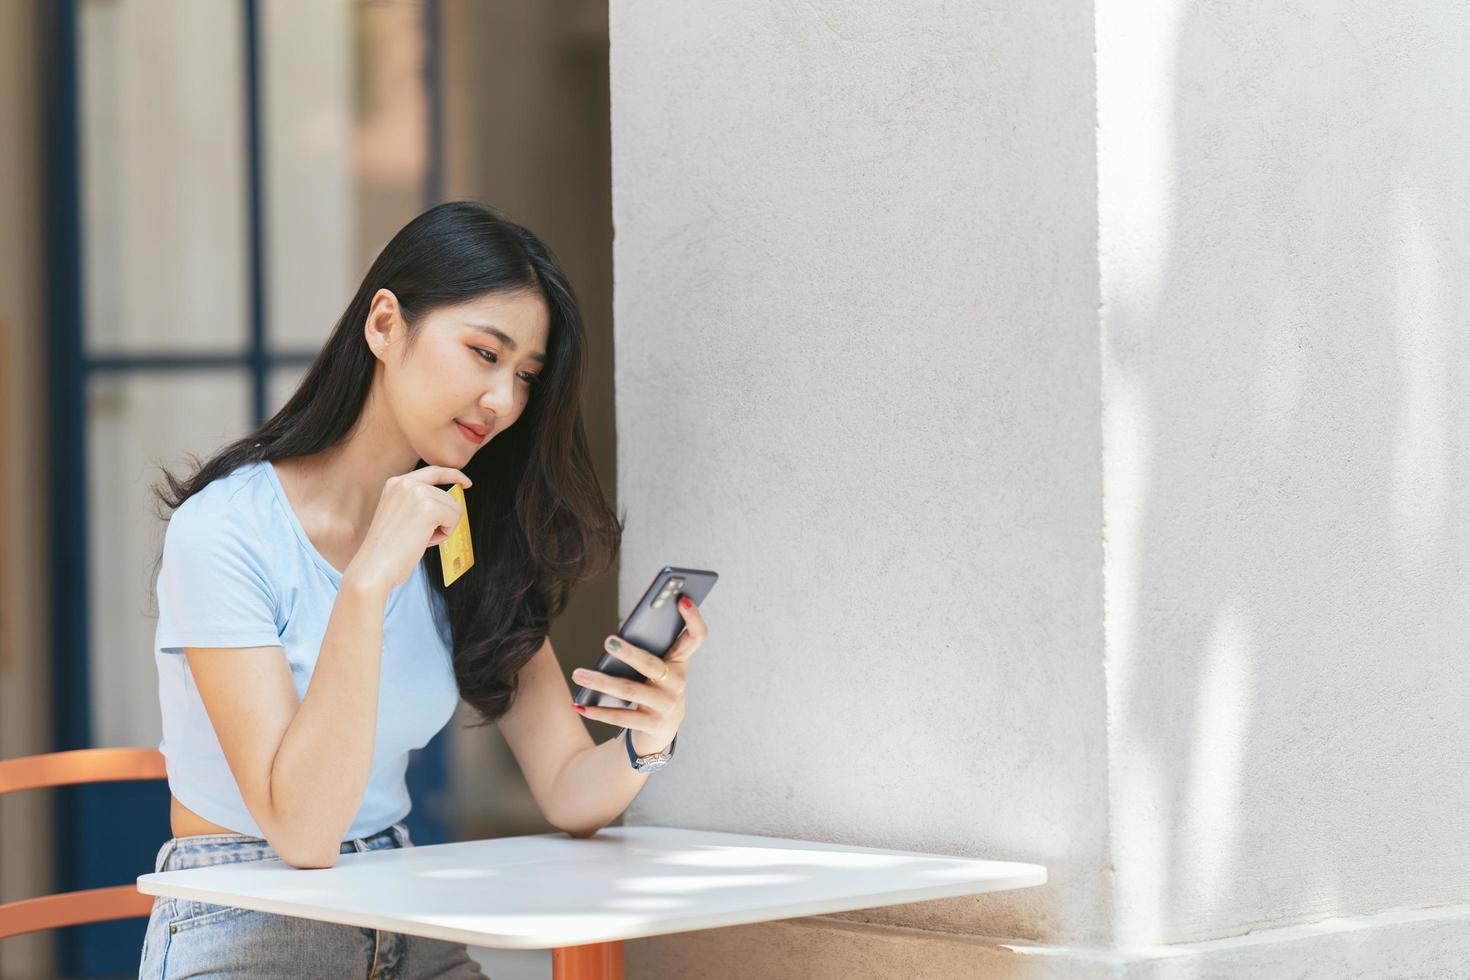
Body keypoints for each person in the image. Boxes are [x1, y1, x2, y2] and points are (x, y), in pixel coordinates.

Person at [136, 201, 707, 978]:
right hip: (251, 918)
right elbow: (302, 834)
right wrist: (368, 581)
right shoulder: (224, 532)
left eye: (526, 377)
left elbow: (571, 789)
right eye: (483, 352)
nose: (504, 400)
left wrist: (649, 739)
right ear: (384, 325)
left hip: (400, 905)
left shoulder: (461, 532)